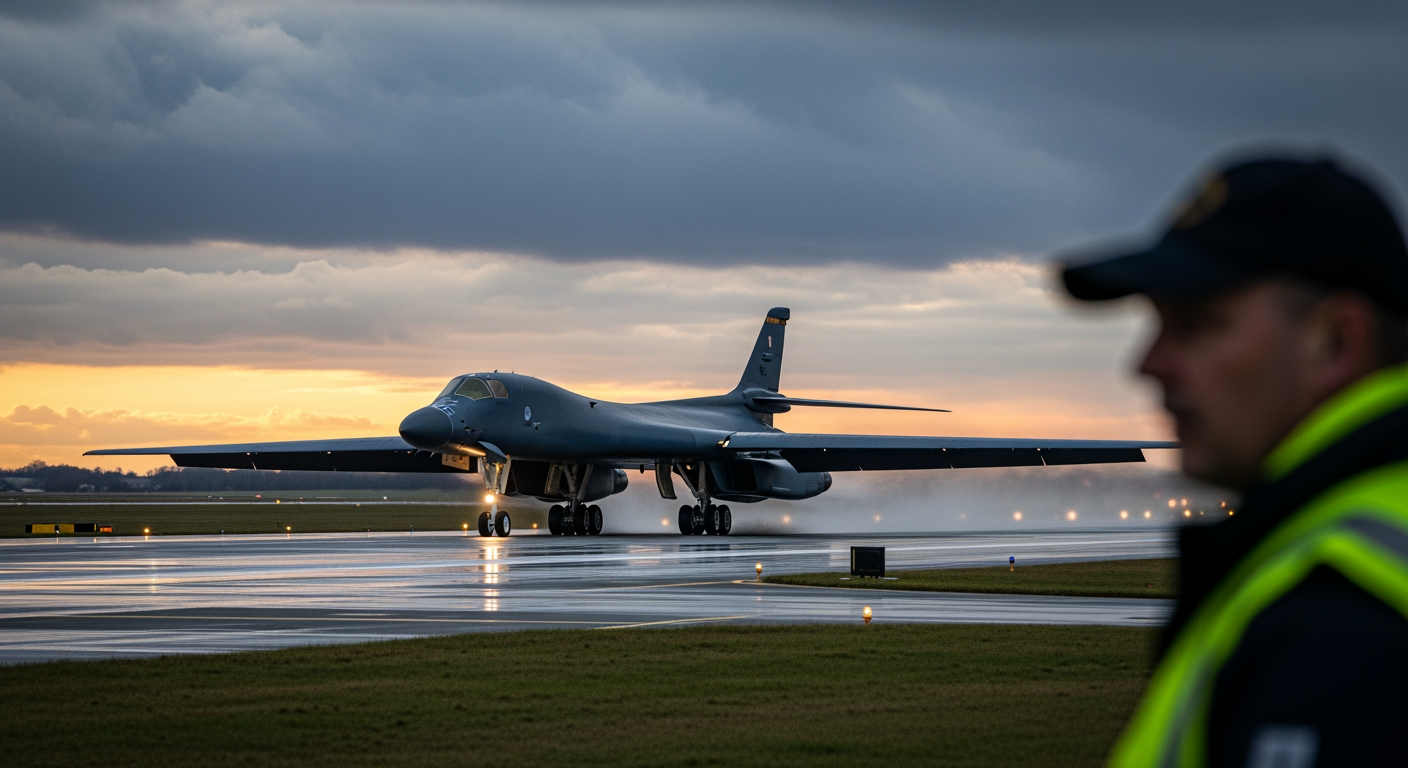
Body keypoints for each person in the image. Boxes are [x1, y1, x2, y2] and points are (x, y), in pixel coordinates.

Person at [1060, 154, 1408, 767]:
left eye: (1198, 325)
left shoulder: (1340, 622)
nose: (1147, 365)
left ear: (1336, 341)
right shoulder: (1323, 542)